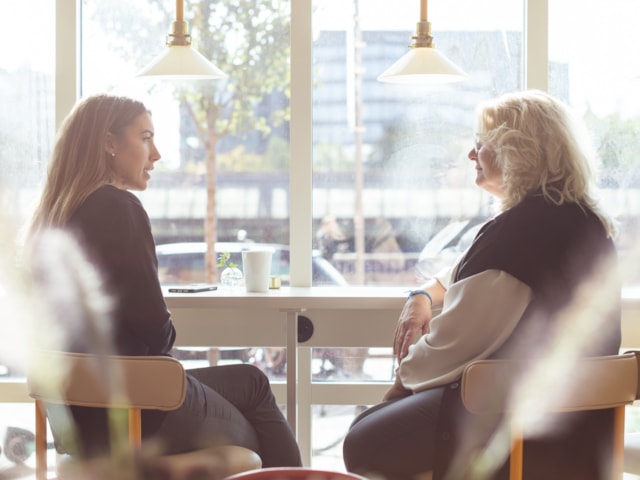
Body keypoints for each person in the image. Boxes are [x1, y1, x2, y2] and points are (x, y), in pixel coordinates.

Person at [342, 90, 621, 480]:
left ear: (517, 152)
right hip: (579, 431)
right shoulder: (583, 222)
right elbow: (469, 270)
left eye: (481, 145)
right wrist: (422, 294)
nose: (471, 156)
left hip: (512, 433)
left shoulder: (515, 233)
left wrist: (402, 379)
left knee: (360, 442)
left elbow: (449, 348)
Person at [28, 93, 302, 466]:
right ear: (109, 143)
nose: (155, 154)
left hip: (76, 414)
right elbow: (158, 334)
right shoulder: (120, 208)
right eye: (145, 138)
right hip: (133, 409)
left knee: (251, 382)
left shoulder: (53, 217)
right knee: (258, 434)